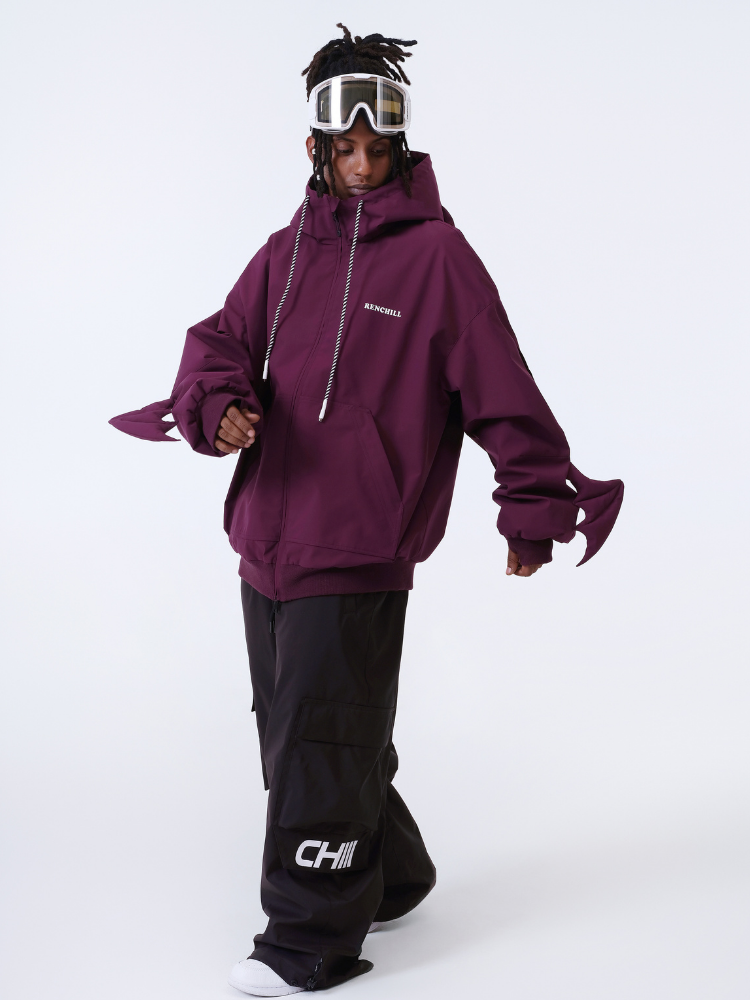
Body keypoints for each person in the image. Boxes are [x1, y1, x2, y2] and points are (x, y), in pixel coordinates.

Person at [110, 24, 623, 997]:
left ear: (397, 145)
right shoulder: (286, 252)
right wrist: (219, 408)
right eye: (341, 147)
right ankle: (394, 870)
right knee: (297, 730)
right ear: (313, 148)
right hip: (267, 539)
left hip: (357, 543)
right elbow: (216, 344)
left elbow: (504, 391)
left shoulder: (438, 261)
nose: (358, 164)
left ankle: (309, 938)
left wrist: (531, 510)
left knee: (321, 738)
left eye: (374, 148)